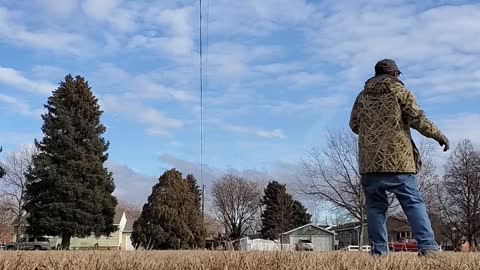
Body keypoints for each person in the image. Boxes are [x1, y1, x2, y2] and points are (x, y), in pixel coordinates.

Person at [349, 59, 449, 256]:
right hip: (399, 162)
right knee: (412, 203)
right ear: (395, 74)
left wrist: (372, 133)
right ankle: (428, 248)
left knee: (375, 208)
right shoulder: (400, 92)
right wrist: (439, 136)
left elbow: (354, 125)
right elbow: (418, 119)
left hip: (370, 164)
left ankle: (379, 253)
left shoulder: (361, 97)